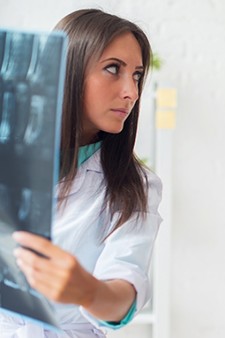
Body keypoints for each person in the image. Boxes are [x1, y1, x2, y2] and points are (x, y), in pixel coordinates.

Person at [0, 9, 162, 337]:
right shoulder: (9, 155)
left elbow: (124, 292)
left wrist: (87, 291)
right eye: (113, 69)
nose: (131, 92)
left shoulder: (135, 186)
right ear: (68, 69)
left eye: (136, 76)